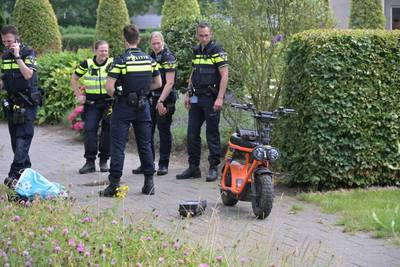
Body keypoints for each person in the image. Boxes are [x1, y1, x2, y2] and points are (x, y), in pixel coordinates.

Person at [99, 24, 161, 197]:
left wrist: (120, 96)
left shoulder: (121, 60)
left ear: (124, 40)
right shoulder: (149, 59)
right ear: (138, 39)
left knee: (118, 145)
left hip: (124, 106)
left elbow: (109, 86)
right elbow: (158, 83)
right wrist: (143, 92)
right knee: (145, 144)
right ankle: (149, 184)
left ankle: (114, 185)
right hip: (143, 106)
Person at [176, 22, 228, 182]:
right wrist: (187, 93)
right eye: (200, 35)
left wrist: (220, 98)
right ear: (197, 35)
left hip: (211, 98)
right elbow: (193, 72)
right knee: (192, 133)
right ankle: (193, 168)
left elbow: (225, 75)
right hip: (196, 98)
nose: (203, 38)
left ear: (211, 35)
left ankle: (213, 168)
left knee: (212, 133)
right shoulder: (196, 50)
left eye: (206, 35)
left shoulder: (217, 51)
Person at [0, 25, 42, 187]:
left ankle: (13, 173)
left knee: (23, 140)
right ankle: (26, 173)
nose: (7, 44)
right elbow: (6, 79)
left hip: (27, 103)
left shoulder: (28, 52)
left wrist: (17, 56)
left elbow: (28, 74)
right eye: (4, 41)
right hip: (12, 103)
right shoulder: (5, 55)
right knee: (14, 142)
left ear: (17, 38)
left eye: (9, 41)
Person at [132, 31, 176, 176]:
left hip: (165, 99)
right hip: (150, 99)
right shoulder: (148, 57)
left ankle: (164, 164)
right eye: (154, 43)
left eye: (158, 43)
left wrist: (161, 101)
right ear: (150, 44)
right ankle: (147, 163)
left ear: (163, 42)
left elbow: (169, 83)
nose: (156, 46)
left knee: (163, 132)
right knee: (146, 133)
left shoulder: (169, 58)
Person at [71, 40, 113, 174]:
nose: (104, 53)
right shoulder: (87, 64)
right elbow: (74, 78)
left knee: (108, 131)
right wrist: (79, 95)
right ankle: (90, 162)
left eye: (106, 50)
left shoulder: (112, 63)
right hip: (92, 104)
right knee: (90, 130)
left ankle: (104, 161)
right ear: (95, 51)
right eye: (101, 50)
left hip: (109, 103)